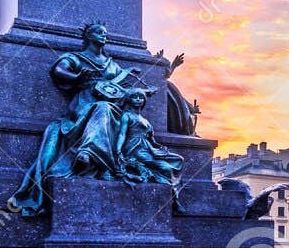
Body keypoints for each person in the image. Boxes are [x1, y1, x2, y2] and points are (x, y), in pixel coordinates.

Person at [10, 21, 183, 216]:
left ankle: (93, 156)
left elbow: (122, 90)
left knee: (108, 109)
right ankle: (89, 154)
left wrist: (142, 91)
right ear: (88, 37)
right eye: (99, 32)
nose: (103, 35)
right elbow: (59, 70)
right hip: (85, 105)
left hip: (112, 105)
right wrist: (76, 77)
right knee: (102, 108)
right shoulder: (76, 58)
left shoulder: (112, 64)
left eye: (105, 33)